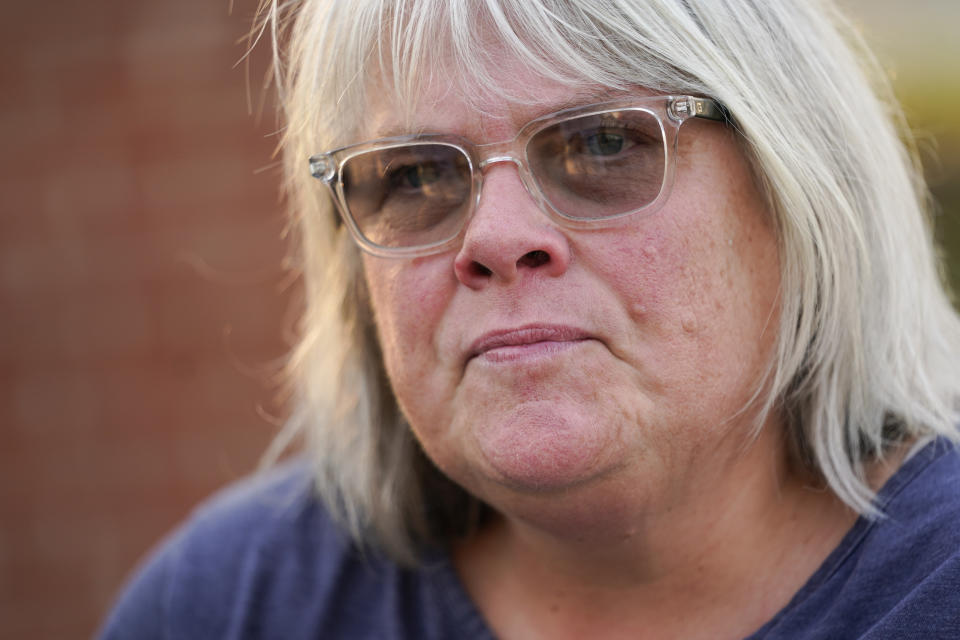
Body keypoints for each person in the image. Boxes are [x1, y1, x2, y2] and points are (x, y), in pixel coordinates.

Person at [99, 0, 960, 637]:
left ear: (797, 189)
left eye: (602, 144)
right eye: (415, 177)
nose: (497, 238)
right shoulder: (225, 605)